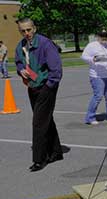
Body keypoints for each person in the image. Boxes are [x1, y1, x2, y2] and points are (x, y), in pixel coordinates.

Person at [14, 18, 63, 172]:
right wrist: (20, 69)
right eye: (23, 30)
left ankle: (39, 159)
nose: (26, 33)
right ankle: (56, 152)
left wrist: (49, 86)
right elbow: (18, 62)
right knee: (46, 119)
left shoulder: (45, 44)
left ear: (34, 28)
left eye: (28, 29)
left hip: (46, 87)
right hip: (32, 87)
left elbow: (56, 70)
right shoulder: (21, 45)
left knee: (38, 123)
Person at [81, 31, 107, 125]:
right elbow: (83, 57)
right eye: (102, 37)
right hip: (97, 76)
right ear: (98, 37)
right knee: (98, 96)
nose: (104, 39)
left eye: (105, 38)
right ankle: (90, 117)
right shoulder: (92, 45)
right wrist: (93, 59)